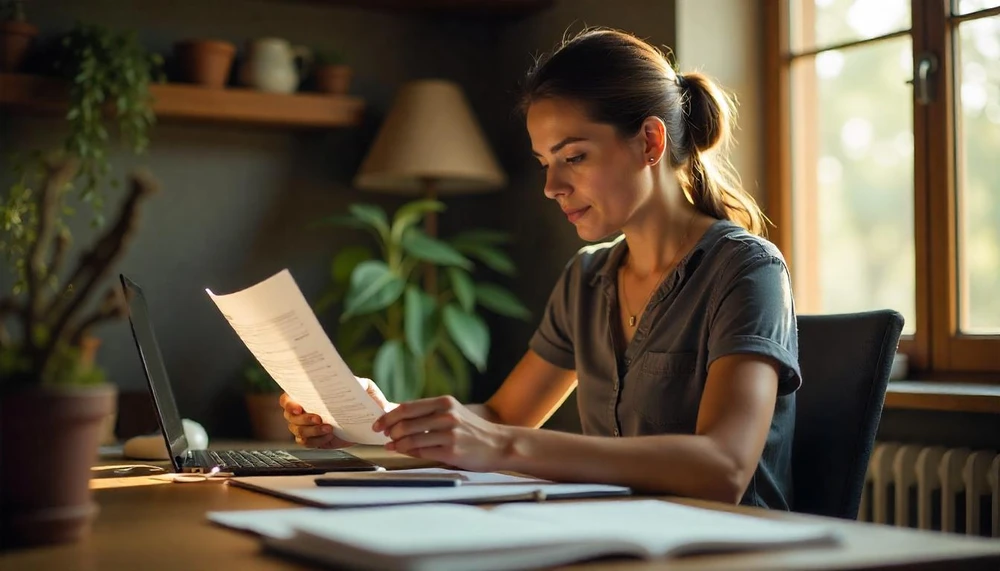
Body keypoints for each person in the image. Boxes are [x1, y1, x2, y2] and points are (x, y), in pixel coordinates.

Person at [280, 28, 801, 509]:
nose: (552, 187)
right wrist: (382, 418)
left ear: (649, 142)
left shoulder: (746, 269)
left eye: (573, 157)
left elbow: (725, 468)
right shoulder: (587, 279)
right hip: (613, 538)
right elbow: (503, 418)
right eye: (544, 163)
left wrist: (503, 444)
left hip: (728, 549)